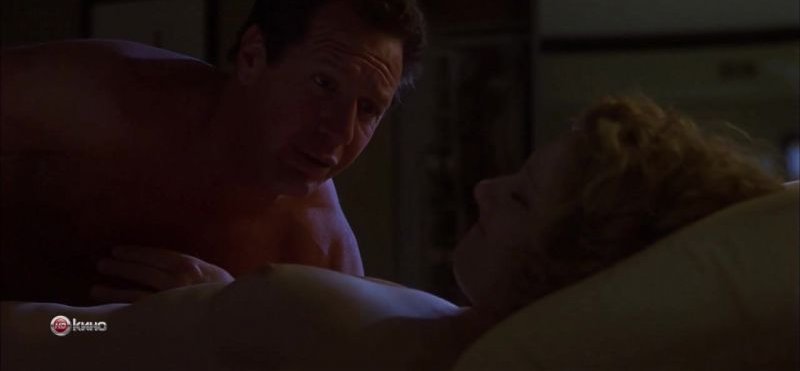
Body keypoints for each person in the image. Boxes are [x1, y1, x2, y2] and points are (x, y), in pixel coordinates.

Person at [2, 96, 785, 371]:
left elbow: (64, 338)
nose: (482, 189)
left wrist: (215, 319)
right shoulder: (431, 330)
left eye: (519, 198)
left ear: (574, 266)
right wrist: (218, 311)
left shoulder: (320, 316)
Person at [0, 0, 426, 305]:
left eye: (368, 108)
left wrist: (235, 313)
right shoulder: (100, 99)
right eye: (324, 84)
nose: (341, 131)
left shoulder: (318, 252)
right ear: (253, 57)